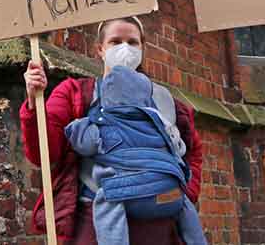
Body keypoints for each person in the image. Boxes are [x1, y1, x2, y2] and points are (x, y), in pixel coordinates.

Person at [20, 16, 204, 244]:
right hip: (98, 225)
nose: (125, 48)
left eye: (132, 42)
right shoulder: (76, 94)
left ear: (143, 48)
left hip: (160, 223)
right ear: (100, 49)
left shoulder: (166, 100)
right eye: (116, 42)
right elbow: (44, 154)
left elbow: (191, 153)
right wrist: (32, 102)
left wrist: (183, 191)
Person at [63, 64, 208, 245]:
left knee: (107, 200)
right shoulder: (159, 121)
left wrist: (79, 125)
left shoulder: (103, 124)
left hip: (132, 199)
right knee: (184, 202)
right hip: (170, 197)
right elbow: (180, 148)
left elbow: (82, 143)